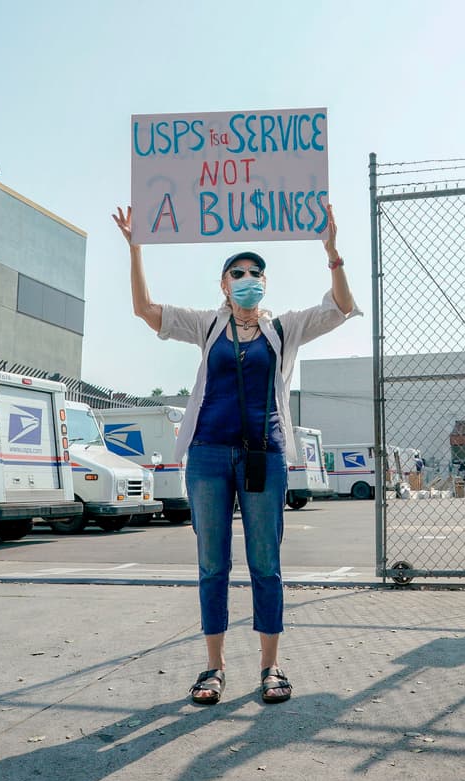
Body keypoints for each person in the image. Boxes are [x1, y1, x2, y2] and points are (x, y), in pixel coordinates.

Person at [112, 202, 359, 704]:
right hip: (207, 455)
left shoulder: (284, 328)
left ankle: (271, 667)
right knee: (212, 564)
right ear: (223, 285)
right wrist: (136, 248)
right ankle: (213, 668)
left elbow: (339, 308)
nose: (248, 278)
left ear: (264, 285)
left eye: (256, 274)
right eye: (238, 273)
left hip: (263, 456)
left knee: (266, 562)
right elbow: (144, 309)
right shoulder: (205, 325)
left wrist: (332, 253)